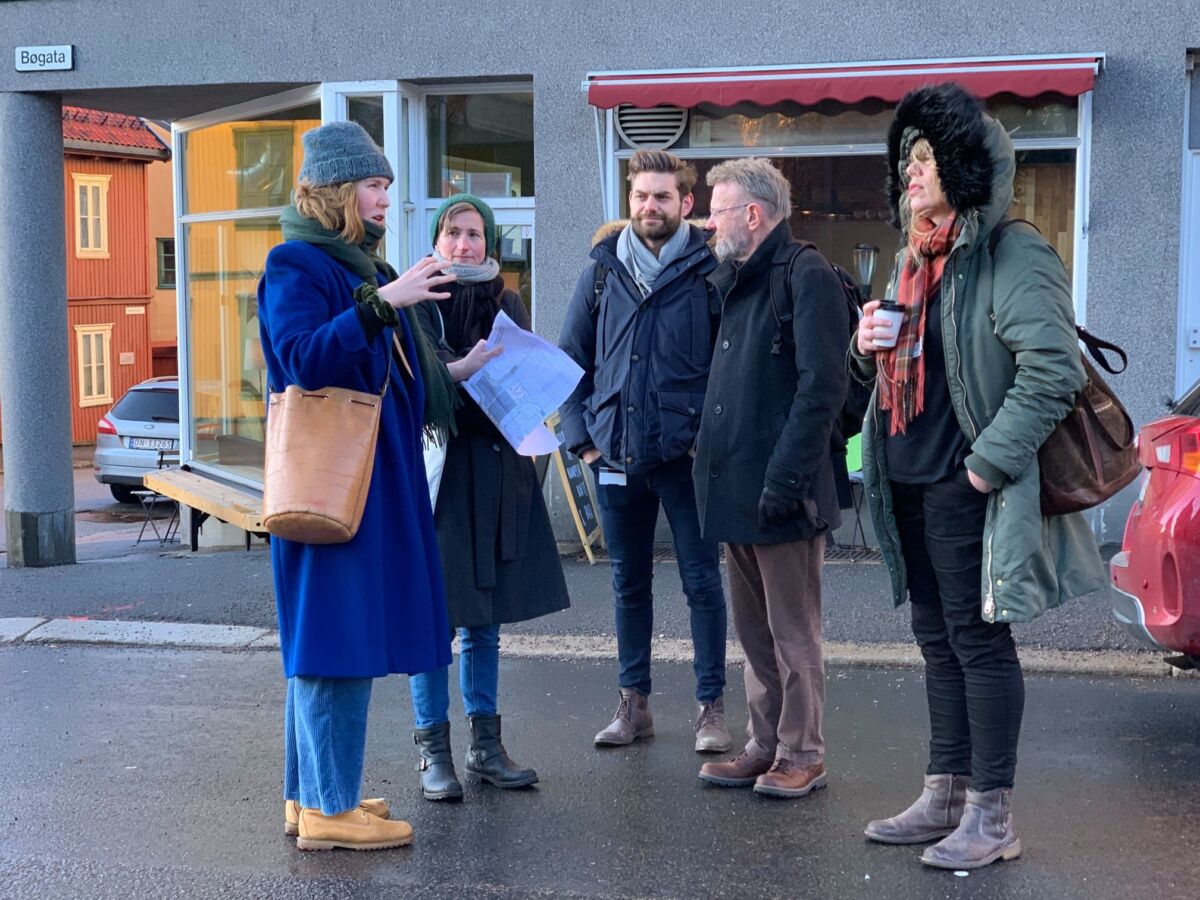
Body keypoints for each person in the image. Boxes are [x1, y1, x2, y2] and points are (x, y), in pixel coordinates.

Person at [853, 84, 1106, 869]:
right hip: (907, 476)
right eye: (906, 160)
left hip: (966, 481)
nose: (912, 174)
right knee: (935, 639)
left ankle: (992, 816)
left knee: (978, 641)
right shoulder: (911, 258)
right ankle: (944, 793)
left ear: (966, 166)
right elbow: (914, 370)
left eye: (927, 158)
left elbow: (1053, 369)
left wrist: (984, 469)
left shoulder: (1010, 250)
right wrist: (871, 346)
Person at [258, 122, 496, 851]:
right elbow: (299, 357)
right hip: (335, 486)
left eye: (387, 185)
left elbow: (385, 376)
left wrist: (452, 373)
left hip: (358, 479)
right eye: (373, 184)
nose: (386, 196)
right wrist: (381, 303)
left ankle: (314, 797)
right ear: (335, 191)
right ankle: (329, 811)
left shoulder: (353, 262)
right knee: (336, 641)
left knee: (329, 638)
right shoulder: (298, 263)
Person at [558, 149, 731, 755]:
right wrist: (580, 439)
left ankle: (710, 708)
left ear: (686, 204)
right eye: (640, 196)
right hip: (616, 454)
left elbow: (729, 366)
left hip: (686, 460)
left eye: (661, 197)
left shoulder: (711, 269)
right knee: (628, 585)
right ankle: (634, 705)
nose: (648, 207)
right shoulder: (603, 271)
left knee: (702, 583)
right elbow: (569, 361)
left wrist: (710, 443)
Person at [692, 158, 848, 799]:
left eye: (717, 208)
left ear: (752, 215)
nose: (707, 220)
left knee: (792, 633)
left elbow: (823, 388)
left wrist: (786, 480)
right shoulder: (735, 277)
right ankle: (764, 745)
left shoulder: (803, 273)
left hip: (783, 492)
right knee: (755, 634)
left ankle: (802, 753)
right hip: (735, 487)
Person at [407, 194, 570, 801]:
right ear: (436, 241)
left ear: (490, 244)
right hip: (442, 474)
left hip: (499, 472)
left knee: (485, 621)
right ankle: (433, 753)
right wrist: (469, 371)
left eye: (475, 234)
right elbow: (423, 385)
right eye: (453, 233)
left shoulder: (507, 299)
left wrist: (491, 382)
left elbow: (522, 381)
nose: (464, 245)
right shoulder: (418, 298)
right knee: (437, 618)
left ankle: (486, 748)